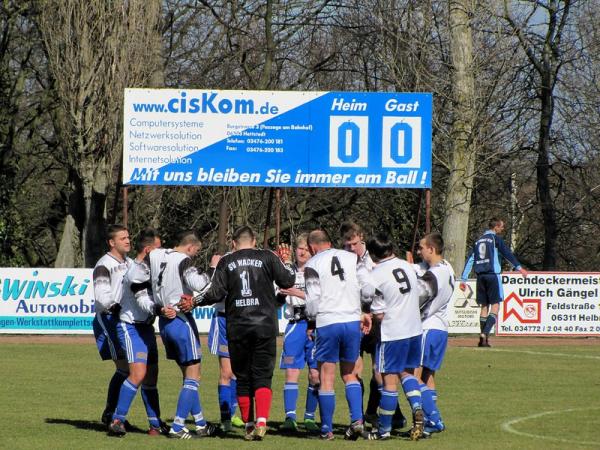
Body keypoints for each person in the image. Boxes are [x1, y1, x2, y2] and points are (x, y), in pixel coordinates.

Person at [182, 226, 296, 441]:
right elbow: (288, 281)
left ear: (234, 243)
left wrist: (194, 301)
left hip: (237, 326)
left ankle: (249, 425)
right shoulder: (268, 256)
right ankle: (262, 420)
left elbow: (214, 293)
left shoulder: (226, 261)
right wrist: (287, 261)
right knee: (262, 375)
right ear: (254, 241)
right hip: (264, 326)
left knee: (242, 377)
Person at [303, 229, 373, 441]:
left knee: (326, 377)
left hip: (328, 321)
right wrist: (362, 308)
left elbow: (313, 301)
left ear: (311, 247)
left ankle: (326, 429)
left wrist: (311, 321)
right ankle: (357, 421)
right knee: (350, 374)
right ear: (330, 242)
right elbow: (368, 289)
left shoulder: (313, 264)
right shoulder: (353, 257)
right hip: (352, 321)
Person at [149, 230, 220, 439]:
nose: (195, 256)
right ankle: (177, 427)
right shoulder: (184, 261)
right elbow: (202, 285)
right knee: (194, 375)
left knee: (188, 375)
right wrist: (213, 268)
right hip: (181, 320)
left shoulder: (158, 255)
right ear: (190, 247)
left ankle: (200, 425)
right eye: (196, 252)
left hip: (164, 320)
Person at [340, 221, 406, 431]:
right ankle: (359, 418)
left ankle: (383, 412)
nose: (351, 249)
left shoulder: (376, 261)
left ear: (362, 237)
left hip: (376, 322)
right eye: (347, 245)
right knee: (355, 369)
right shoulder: (342, 261)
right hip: (353, 320)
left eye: (354, 244)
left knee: (380, 371)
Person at [362, 232, 425, 441]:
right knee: (408, 374)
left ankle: (385, 429)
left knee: (389, 382)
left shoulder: (376, 274)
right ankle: (417, 408)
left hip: (393, 333)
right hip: (415, 330)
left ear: (372, 254)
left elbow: (379, 313)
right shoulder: (408, 266)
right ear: (391, 249)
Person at [108, 228, 170, 437]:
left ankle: (155, 424)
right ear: (148, 249)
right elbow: (143, 300)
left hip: (146, 328)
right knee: (138, 374)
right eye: (159, 249)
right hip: (131, 326)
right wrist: (159, 309)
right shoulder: (136, 272)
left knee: (151, 377)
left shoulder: (151, 269)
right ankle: (117, 419)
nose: (162, 254)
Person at [459, 218, 528, 347]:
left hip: (480, 277)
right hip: (492, 275)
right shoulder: (495, 239)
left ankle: (482, 340)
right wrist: (520, 268)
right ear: (496, 227)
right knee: (495, 306)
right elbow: (507, 254)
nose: (502, 229)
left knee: (484, 307)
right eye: (501, 227)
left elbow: (470, 260)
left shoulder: (478, 241)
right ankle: (485, 333)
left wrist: (464, 279)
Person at [277, 233, 320, 434]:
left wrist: (297, 292)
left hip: (314, 325)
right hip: (295, 324)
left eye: (306, 249)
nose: (302, 252)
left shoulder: (317, 272)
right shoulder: (288, 271)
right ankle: (290, 417)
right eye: (299, 248)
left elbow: (320, 297)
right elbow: (278, 293)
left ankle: (310, 417)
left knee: (315, 374)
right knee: (292, 372)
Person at [414, 232, 455, 436]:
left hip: (427, 328)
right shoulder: (447, 267)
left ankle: (434, 418)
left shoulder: (434, 274)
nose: (419, 251)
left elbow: (418, 297)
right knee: (428, 375)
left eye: (422, 247)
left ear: (431, 249)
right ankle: (431, 421)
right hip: (441, 328)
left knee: (414, 377)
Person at [92, 224, 132, 428]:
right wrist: (114, 306)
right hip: (109, 319)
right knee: (125, 368)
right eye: (122, 238)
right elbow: (101, 295)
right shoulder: (104, 264)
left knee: (130, 369)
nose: (127, 240)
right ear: (111, 242)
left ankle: (116, 415)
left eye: (128, 237)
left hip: (125, 320)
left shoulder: (130, 263)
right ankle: (112, 415)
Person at [206, 254, 245, 432]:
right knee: (226, 372)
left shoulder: (249, 261)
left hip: (243, 320)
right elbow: (212, 291)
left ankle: (233, 414)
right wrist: (214, 269)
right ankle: (225, 419)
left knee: (238, 372)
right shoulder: (224, 262)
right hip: (223, 321)